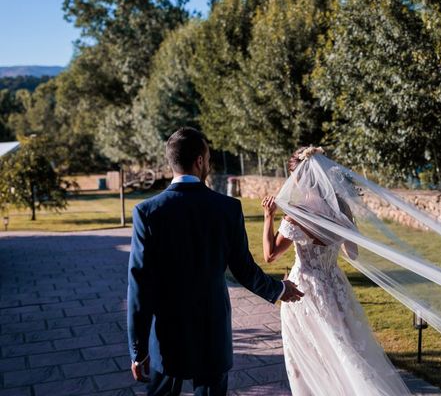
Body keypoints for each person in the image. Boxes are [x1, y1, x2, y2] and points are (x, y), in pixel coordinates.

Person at [127, 127, 303, 396]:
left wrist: (137, 351)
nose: (208, 164)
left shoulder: (147, 212)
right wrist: (279, 289)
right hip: (212, 330)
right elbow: (244, 269)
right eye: (208, 159)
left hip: (167, 334)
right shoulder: (228, 208)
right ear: (199, 161)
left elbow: (139, 286)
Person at [261, 146, 411, 396]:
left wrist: (268, 216)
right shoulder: (341, 207)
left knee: (312, 355)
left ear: (298, 177)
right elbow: (352, 253)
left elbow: (270, 256)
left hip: (305, 290)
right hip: (336, 284)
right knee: (346, 350)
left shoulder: (298, 215)